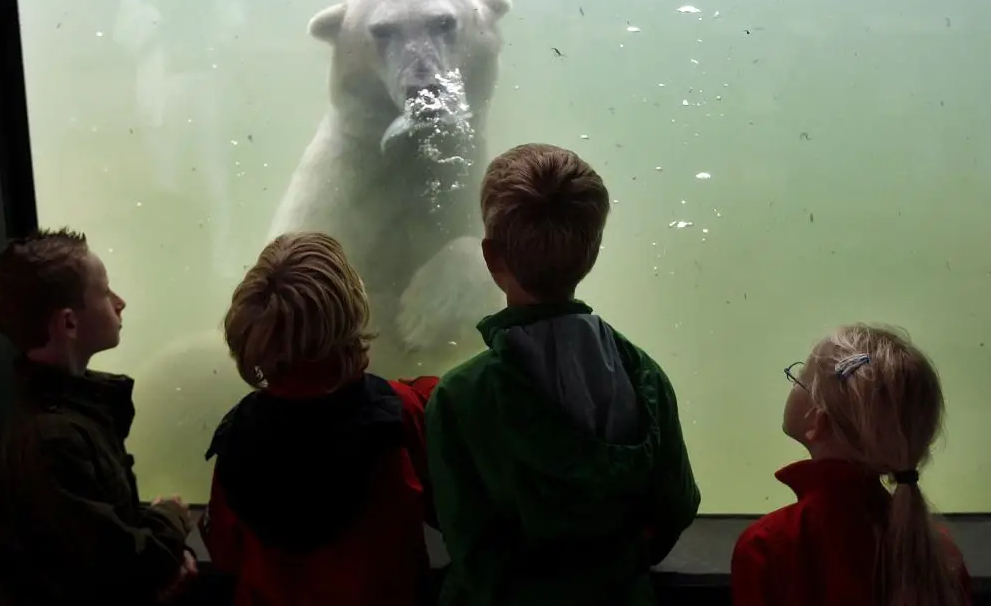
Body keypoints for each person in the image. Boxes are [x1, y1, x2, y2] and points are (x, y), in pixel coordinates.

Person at [425, 143, 701, 606]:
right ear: (591, 254)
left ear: (491, 257)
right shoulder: (644, 377)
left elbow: (470, 549)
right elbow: (676, 506)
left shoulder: (459, 397)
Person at [199, 231, 440, 606]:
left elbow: (225, 552)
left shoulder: (237, 434)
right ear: (350, 311)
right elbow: (445, 511)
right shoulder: (399, 410)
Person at [0, 227, 196, 606]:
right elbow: (122, 563)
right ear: (68, 323)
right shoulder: (53, 440)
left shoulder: (71, 414)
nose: (120, 302)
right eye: (106, 291)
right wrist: (171, 517)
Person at [730, 323, 972, 606]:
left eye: (799, 380)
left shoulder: (767, 544)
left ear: (817, 422)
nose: (793, 383)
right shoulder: (937, 551)